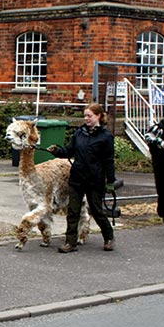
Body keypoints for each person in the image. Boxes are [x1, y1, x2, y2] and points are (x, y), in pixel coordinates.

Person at [47, 103, 117, 253]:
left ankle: (109, 237)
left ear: (98, 116)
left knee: (97, 211)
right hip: (77, 178)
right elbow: (68, 151)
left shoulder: (106, 137)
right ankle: (70, 242)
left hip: (95, 180)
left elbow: (108, 161)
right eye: (85, 115)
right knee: (73, 211)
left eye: (89, 116)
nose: (86, 118)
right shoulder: (79, 134)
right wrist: (57, 151)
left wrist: (111, 181)